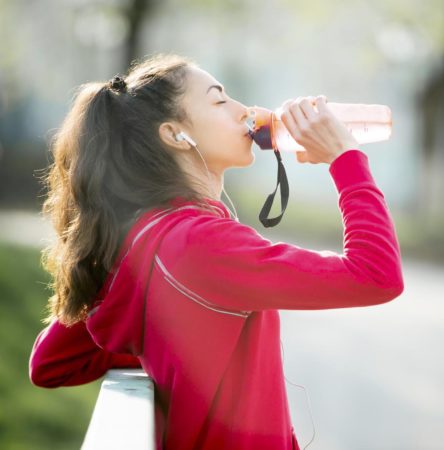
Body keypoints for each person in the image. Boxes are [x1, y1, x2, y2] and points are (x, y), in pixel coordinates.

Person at [28, 53, 404, 450]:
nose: (247, 110)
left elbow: (50, 362)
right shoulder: (201, 244)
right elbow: (376, 275)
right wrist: (345, 159)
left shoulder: (140, 240)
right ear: (176, 135)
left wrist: (174, 355)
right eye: (220, 99)